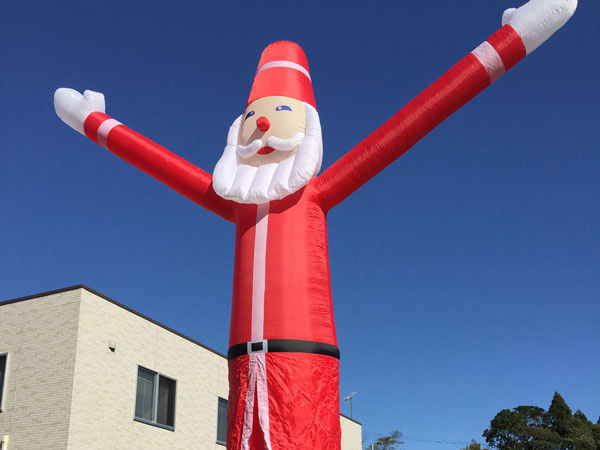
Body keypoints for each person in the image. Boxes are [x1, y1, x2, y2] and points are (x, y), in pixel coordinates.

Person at [53, 1, 576, 448]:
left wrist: (514, 39)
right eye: (253, 118)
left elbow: (421, 113)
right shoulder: (235, 199)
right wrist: (92, 120)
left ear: (307, 126)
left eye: (279, 112)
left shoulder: (316, 192)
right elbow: (156, 160)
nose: (263, 125)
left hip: (307, 362)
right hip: (242, 361)